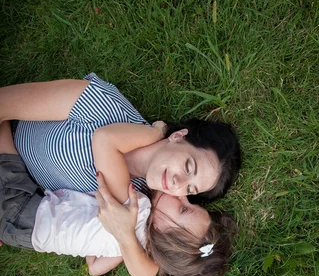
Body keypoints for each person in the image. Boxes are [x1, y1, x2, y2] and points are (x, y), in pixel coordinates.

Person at [0, 121, 236, 276]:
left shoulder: (135, 206)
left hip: (22, 208)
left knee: (4, 124)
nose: (183, 196)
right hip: (23, 233)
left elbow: (105, 139)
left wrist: (157, 131)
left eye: (184, 208)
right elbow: (93, 266)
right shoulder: (133, 246)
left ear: (162, 229)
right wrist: (123, 240)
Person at [0, 72, 241, 202]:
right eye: (189, 166)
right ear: (178, 136)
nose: (178, 183)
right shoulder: (102, 106)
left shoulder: (136, 200)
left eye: (190, 189)